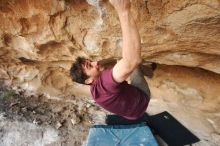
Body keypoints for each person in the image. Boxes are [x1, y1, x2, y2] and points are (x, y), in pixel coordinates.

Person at [70, 0, 154, 120]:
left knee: (122, 64)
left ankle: (149, 69)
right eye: (90, 66)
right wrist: (123, 10)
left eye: (91, 61)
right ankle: (149, 70)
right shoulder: (105, 83)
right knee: (135, 65)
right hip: (142, 99)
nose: (95, 63)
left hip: (130, 115)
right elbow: (132, 60)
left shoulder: (96, 92)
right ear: (88, 80)